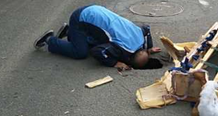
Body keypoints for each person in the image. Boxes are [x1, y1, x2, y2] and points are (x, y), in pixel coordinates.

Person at [34, 5, 162, 71]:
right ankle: (50, 40)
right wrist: (115, 62)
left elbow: (147, 29)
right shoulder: (122, 48)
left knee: (103, 38)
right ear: (128, 57)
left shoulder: (140, 37)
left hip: (96, 10)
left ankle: (70, 32)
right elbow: (98, 52)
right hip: (81, 18)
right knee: (80, 53)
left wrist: (149, 49)